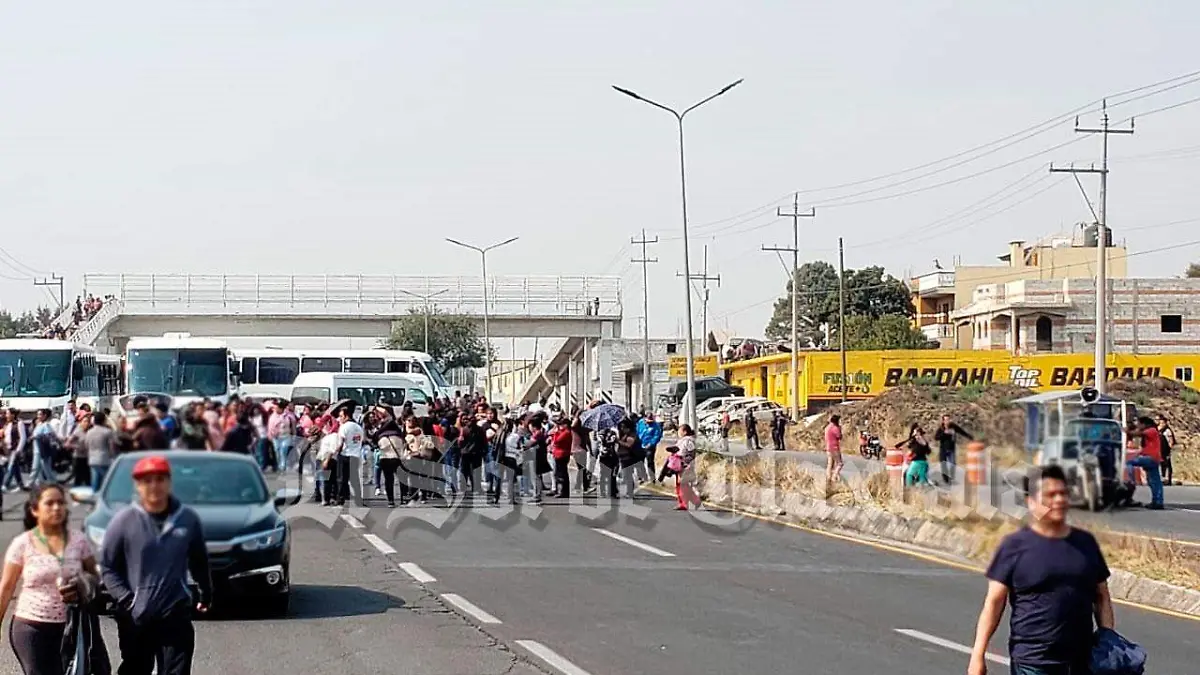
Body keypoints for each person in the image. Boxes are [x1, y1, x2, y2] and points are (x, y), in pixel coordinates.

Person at [969, 465, 1114, 675]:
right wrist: (978, 655)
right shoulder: (1014, 546)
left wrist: (1108, 643)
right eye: (1050, 495)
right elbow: (994, 603)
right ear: (1032, 502)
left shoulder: (1085, 543)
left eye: (1063, 493)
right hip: (1034, 661)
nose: (1059, 500)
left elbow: (1101, 596)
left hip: (1081, 661)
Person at [101, 455, 212, 675]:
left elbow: (199, 560)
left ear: (169, 482)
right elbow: (108, 568)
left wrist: (205, 593)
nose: (154, 486)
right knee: (136, 669)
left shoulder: (187, 519)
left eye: (160, 479)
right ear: (137, 485)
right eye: (147, 481)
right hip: (136, 617)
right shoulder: (124, 521)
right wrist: (127, 601)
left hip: (175, 613)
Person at [0, 483, 99, 675]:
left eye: (61, 503)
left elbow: (94, 577)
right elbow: (6, 588)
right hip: (31, 628)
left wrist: (81, 586)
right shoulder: (23, 543)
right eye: (50, 503)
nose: (56, 508)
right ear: (35, 510)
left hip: (68, 629)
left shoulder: (79, 541)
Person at [1127, 416, 1164, 510]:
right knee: (1154, 481)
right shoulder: (1152, 432)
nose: (1138, 425)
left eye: (1139, 424)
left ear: (1144, 424)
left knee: (1129, 463)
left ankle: (1131, 482)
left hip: (1150, 458)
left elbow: (1137, 433)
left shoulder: (1151, 430)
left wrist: (1126, 430)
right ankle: (1157, 501)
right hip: (1153, 458)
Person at [933, 414, 973, 484]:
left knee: (952, 464)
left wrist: (969, 436)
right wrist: (944, 433)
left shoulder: (953, 426)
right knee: (944, 465)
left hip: (951, 449)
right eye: (946, 420)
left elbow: (961, 431)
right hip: (943, 449)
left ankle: (951, 477)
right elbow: (936, 437)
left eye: (948, 419)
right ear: (943, 421)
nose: (947, 421)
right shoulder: (941, 428)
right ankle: (946, 480)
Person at [85, 411, 116, 491]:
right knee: (106, 482)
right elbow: (112, 447)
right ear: (103, 420)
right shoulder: (107, 432)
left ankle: (95, 495)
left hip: (92, 459)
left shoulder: (89, 432)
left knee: (95, 482)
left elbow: (87, 445)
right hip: (104, 460)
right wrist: (113, 457)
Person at [636, 413, 663, 482]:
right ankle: (640, 477)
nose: (649, 423)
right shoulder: (640, 423)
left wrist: (651, 444)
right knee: (639, 462)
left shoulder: (656, 426)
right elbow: (637, 432)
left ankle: (652, 478)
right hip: (640, 445)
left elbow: (657, 436)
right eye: (647, 421)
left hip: (650, 447)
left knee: (650, 462)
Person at [824, 414, 844, 485]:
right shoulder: (835, 428)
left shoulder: (827, 427)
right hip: (834, 448)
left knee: (830, 465)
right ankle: (834, 477)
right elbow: (839, 436)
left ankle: (828, 478)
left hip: (828, 447)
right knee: (840, 463)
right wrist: (840, 428)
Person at [1157, 414, 1175, 486]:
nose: (1162, 424)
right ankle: (1161, 478)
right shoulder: (1157, 429)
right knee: (1160, 465)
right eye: (1161, 422)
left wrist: (1170, 449)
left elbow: (1171, 440)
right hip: (1158, 449)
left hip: (1166, 450)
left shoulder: (1168, 430)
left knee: (1167, 465)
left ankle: (1168, 479)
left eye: (1163, 423)